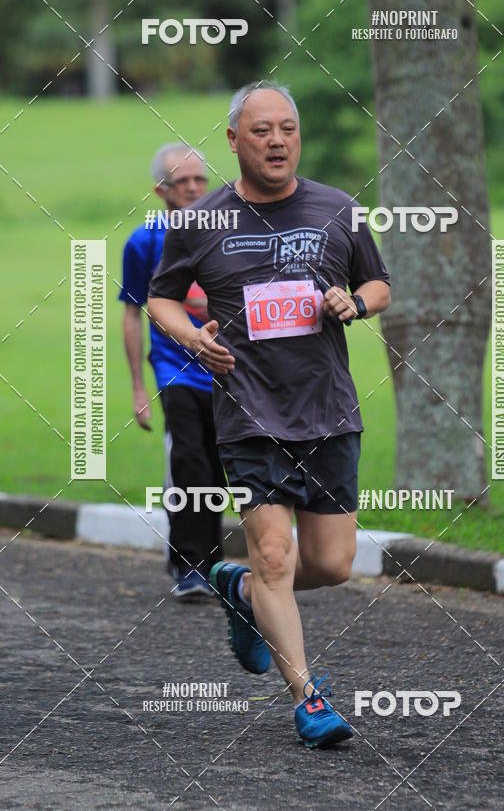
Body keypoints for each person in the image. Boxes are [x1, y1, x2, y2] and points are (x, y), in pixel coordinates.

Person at [147, 83, 390, 747]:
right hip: (249, 413)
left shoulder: (337, 208)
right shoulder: (200, 222)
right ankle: (308, 699)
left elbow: (378, 282)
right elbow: (160, 299)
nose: (277, 140)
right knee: (276, 556)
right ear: (234, 141)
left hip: (328, 409)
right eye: (262, 131)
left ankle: (242, 590)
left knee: (333, 564)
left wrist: (355, 304)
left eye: (288, 128)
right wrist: (192, 338)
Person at [119, 143, 225, 600]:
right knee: (189, 462)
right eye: (183, 182)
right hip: (175, 370)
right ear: (161, 190)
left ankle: (213, 565)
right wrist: (138, 387)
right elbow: (131, 315)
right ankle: (189, 566)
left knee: (219, 465)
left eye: (201, 179)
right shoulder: (144, 242)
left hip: (226, 370)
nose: (195, 188)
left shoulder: (225, 231)